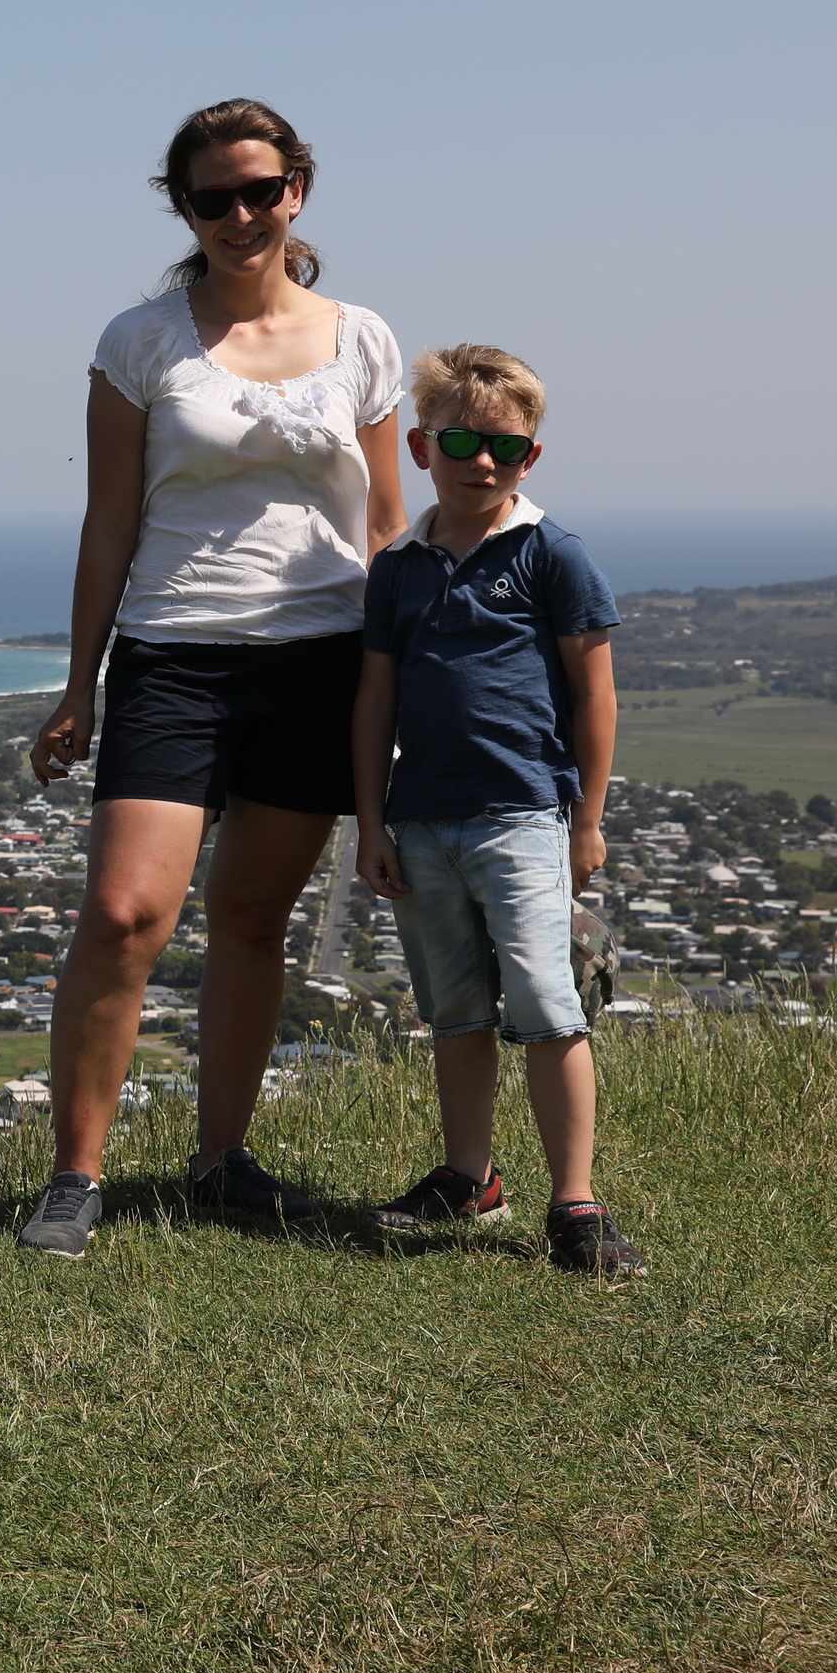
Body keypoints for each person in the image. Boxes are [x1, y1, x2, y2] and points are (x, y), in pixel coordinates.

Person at [15, 100, 406, 1259]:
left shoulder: (364, 338)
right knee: (124, 911)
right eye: (211, 198)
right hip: (176, 653)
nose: (239, 213)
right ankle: (75, 1176)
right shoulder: (139, 341)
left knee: (249, 917)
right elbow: (108, 521)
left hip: (323, 657)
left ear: (298, 191)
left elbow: (385, 527)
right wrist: (79, 682)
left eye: (259, 189)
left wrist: (400, 681)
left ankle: (220, 1160)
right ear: (181, 208)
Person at [351, 345, 645, 1273]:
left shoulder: (551, 551)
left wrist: (586, 820)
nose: (484, 461)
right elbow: (375, 701)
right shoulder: (397, 567)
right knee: (457, 1013)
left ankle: (576, 1204)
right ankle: (468, 1179)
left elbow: (594, 694)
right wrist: (370, 823)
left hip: (522, 810)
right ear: (420, 446)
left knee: (550, 1007)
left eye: (507, 448)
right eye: (463, 440)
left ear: (531, 459)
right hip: (425, 819)